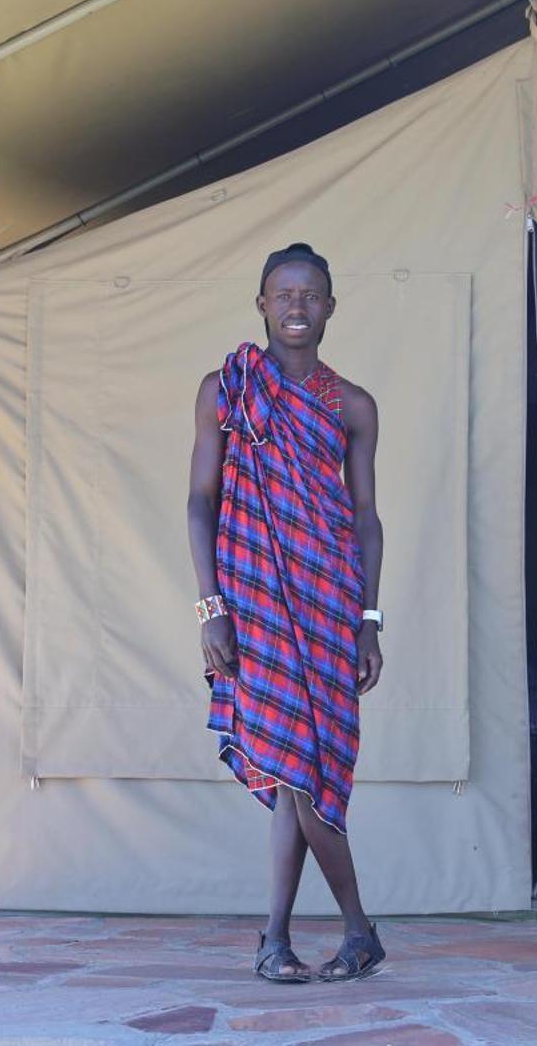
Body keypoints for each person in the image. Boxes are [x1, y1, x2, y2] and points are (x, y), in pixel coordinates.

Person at [186, 243, 388, 984]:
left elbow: (367, 519)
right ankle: (336, 932)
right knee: (290, 772)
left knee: (304, 774)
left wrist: (370, 618)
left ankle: (289, 938)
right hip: (254, 605)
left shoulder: (355, 405)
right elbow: (199, 502)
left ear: (331, 307)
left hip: (331, 606)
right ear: (262, 303)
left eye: (311, 294)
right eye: (283, 293)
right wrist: (212, 607)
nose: (297, 305)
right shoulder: (226, 390)